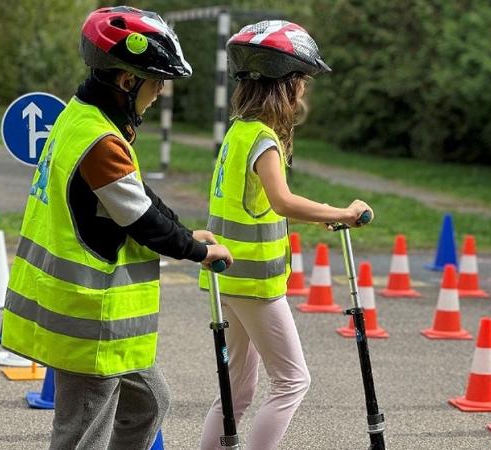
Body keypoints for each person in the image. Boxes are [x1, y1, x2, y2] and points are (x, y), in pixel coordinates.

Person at [1, 6, 232, 450]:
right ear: (128, 82)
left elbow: (136, 193)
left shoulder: (84, 116)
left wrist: (187, 233)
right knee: (82, 434)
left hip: (106, 323)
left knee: (148, 403)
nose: (160, 92)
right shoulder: (101, 142)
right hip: (90, 317)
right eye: (157, 82)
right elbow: (140, 218)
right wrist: (197, 252)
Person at [198, 20, 372, 450]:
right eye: (302, 81)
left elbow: (260, 204)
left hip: (229, 279)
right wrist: (342, 213)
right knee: (293, 381)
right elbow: (282, 201)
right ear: (286, 84)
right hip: (255, 284)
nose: (304, 91)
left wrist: (324, 217)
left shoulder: (237, 133)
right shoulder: (262, 138)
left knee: (235, 392)